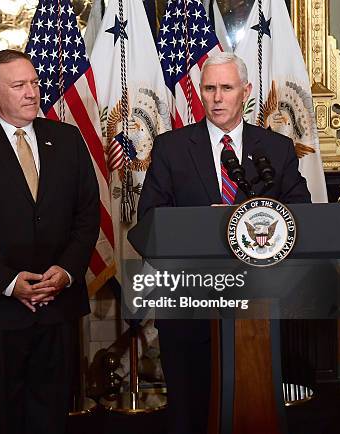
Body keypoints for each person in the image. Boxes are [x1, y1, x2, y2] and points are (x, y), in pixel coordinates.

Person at [138, 52, 311, 434]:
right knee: (190, 411)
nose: (217, 98)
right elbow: (148, 222)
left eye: (226, 88)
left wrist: (253, 220)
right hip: (189, 302)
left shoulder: (276, 150)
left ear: (246, 92)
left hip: (260, 304)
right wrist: (206, 224)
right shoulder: (171, 147)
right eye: (210, 88)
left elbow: (302, 215)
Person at [0, 49, 100, 434]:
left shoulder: (67, 138)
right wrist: (11, 284)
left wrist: (63, 272)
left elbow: (87, 215)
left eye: (34, 83)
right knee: (0, 417)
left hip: (57, 305)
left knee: (52, 414)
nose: (32, 92)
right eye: (19, 85)